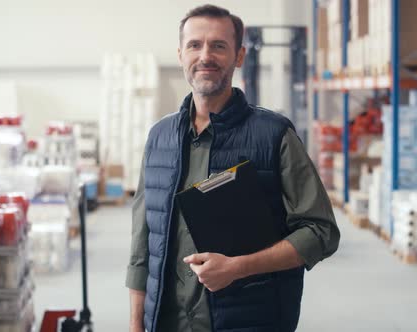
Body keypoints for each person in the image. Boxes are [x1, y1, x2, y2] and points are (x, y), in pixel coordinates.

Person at [126, 4, 340, 332]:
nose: (205, 56)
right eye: (195, 45)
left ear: (239, 56)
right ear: (181, 54)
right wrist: (135, 322)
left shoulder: (274, 135)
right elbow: (143, 242)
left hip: (248, 320)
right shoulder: (160, 138)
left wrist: (237, 268)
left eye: (219, 46)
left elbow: (321, 231)